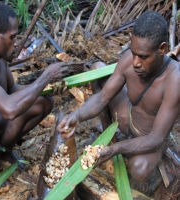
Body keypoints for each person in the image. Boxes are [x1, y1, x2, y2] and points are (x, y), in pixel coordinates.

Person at [57, 10, 180, 193]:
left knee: (138, 169)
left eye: (143, 57)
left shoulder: (175, 79)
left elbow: (155, 139)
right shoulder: (130, 60)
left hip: (150, 139)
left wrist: (114, 150)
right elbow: (102, 97)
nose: (136, 62)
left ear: (162, 49)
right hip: (126, 119)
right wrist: (76, 115)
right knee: (98, 69)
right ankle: (108, 136)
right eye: (133, 53)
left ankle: (148, 184)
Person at [0, 1, 68, 182]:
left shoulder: (0, 60)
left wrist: (48, 89)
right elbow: (9, 109)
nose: (16, 44)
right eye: (12, 38)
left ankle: (5, 150)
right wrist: (44, 78)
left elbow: (13, 90)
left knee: (44, 102)